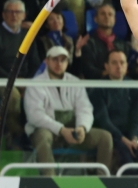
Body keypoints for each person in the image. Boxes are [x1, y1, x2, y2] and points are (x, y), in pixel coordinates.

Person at [24, 46, 112, 176]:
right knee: (42, 136)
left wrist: (82, 128)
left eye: (63, 60)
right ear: (46, 61)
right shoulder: (35, 83)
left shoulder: (75, 82)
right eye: (55, 60)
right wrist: (61, 130)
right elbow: (34, 115)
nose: (59, 64)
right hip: (48, 131)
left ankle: (103, 179)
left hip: (72, 131)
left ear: (67, 63)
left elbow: (85, 108)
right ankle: (50, 180)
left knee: (105, 137)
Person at [89, 50, 138, 173]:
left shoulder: (134, 87)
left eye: (122, 63)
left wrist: (134, 139)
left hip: (131, 135)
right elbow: (104, 121)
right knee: (125, 157)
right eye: (114, 63)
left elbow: (137, 117)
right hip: (112, 136)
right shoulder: (97, 88)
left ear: (126, 66)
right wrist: (124, 140)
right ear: (106, 66)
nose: (119, 66)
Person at [0, 0, 40, 78]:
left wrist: (27, 82)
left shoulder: (28, 35)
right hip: (0, 82)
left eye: (18, 12)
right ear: (3, 15)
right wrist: (13, 81)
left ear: (24, 15)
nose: (14, 15)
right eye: (10, 12)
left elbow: (35, 64)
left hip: (25, 82)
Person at [79, 0, 132, 79]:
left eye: (110, 14)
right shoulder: (89, 43)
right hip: (97, 85)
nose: (106, 17)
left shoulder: (123, 45)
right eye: (103, 14)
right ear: (95, 19)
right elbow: (88, 70)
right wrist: (111, 74)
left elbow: (130, 69)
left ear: (114, 20)